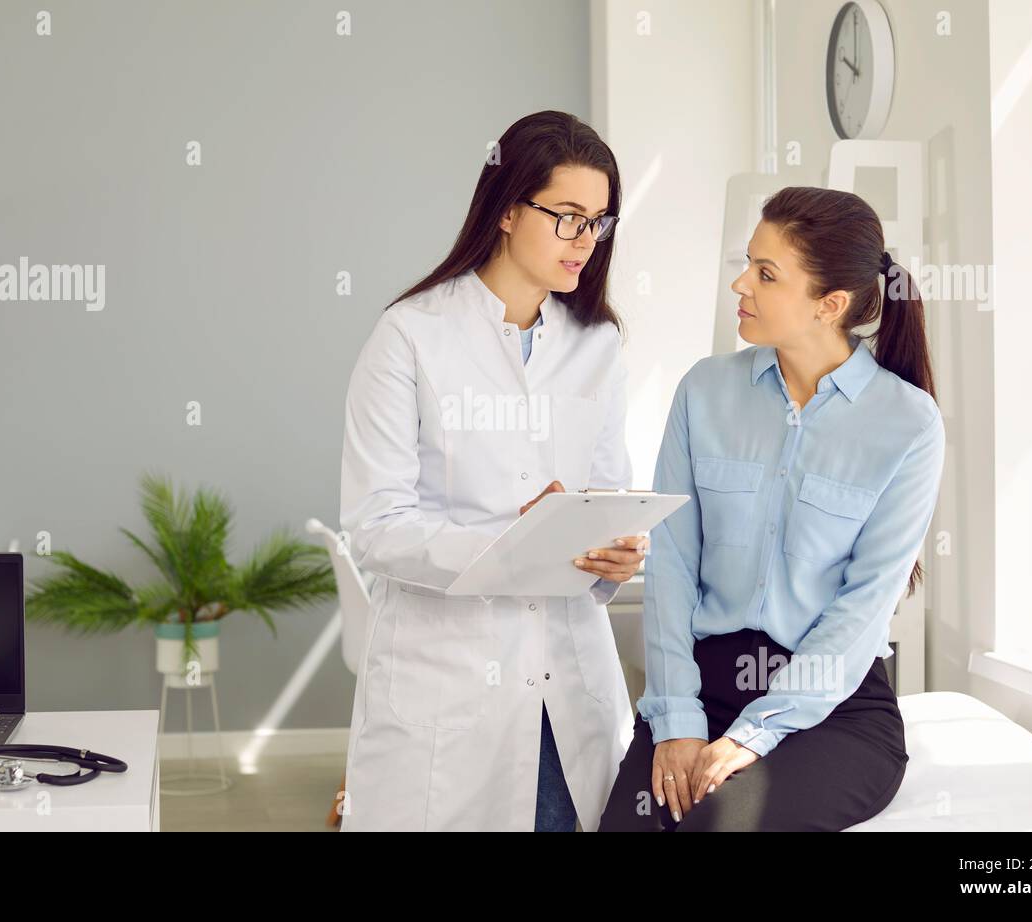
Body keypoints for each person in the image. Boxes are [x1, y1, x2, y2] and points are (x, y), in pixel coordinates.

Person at [600, 186, 945, 831]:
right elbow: (672, 564)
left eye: (766, 274)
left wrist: (756, 734)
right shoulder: (704, 391)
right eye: (747, 264)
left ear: (829, 304)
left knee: (715, 824)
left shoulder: (908, 424)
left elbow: (865, 605)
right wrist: (676, 718)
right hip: (704, 688)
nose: (741, 283)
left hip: (833, 708)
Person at [339, 111, 644, 831]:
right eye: (567, 216)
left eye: (598, 222)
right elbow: (376, 528)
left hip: (569, 687)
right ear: (507, 208)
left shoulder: (597, 345)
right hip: (448, 691)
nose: (585, 241)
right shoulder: (410, 337)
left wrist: (618, 553)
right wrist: (518, 542)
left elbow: (610, 497)